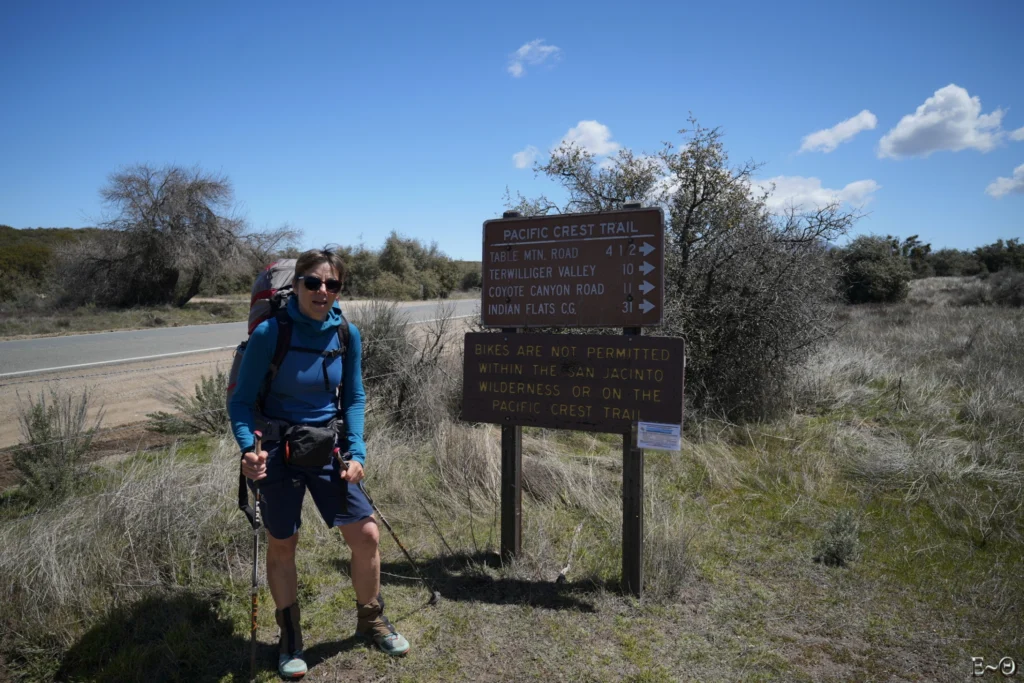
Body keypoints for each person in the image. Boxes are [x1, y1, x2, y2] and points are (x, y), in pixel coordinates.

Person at [230, 247, 410, 678]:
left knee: (366, 533)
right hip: (274, 449)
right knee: (283, 542)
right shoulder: (270, 333)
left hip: (326, 447)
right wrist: (247, 450)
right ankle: (290, 639)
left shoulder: (347, 333)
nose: (322, 291)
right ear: (296, 285)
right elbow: (239, 402)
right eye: (313, 282)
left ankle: (371, 620)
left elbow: (354, 398)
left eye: (332, 284)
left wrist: (358, 451)